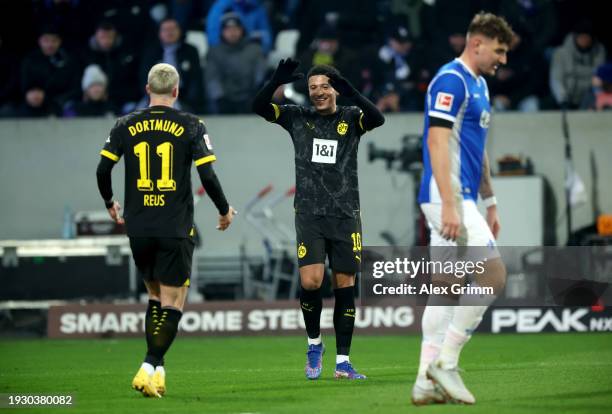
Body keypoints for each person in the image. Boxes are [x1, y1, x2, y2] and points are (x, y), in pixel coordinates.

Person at [96, 63, 236, 398]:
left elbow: (103, 169)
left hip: (139, 226)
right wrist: (223, 210)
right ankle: (148, 364)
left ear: (148, 89)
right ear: (176, 90)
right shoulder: (191, 124)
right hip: (174, 226)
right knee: (175, 301)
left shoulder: (125, 124)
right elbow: (208, 176)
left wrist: (109, 203)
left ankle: (158, 375)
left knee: (155, 297)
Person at [252, 59, 385, 380]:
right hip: (309, 213)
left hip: (345, 214)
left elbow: (378, 118)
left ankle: (343, 362)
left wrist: (351, 90)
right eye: (313, 88)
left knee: (344, 285)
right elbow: (259, 107)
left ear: (335, 89)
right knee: (310, 281)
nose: (319, 93)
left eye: (325, 86)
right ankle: (314, 344)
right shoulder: (298, 117)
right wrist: (274, 82)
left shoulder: (351, 118)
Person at [411, 13, 512, 405]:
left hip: (464, 197)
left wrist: (490, 201)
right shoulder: (451, 80)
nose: (502, 59)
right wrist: (451, 205)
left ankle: (423, 382)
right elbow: (437, 141)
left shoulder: (480, 85)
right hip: (447, 196)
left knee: (446, 289)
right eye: (498, 50)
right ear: (477, 43)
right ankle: (447, 364)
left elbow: (477, 149)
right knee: (494, 274)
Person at [139, 18, 205, 113]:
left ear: (180, 31)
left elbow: (196, 78)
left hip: (183, 97)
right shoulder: (151, 52)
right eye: (166, 30)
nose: (170, 33)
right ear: (159, 33)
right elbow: (143, 77)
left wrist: (191, 100)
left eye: (173, 29)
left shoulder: (190, 51)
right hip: (155, 95)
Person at [205, 12, 266, 114]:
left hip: (250, 98)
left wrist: (256, 95)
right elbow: (212, 78)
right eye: (228, 29)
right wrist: (220, 98)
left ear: (242, 30)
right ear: (222, 32)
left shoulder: (255, 50)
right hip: (224, 100)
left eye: (236, 29)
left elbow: (260, 75)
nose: (232, 33)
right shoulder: (214, 52)